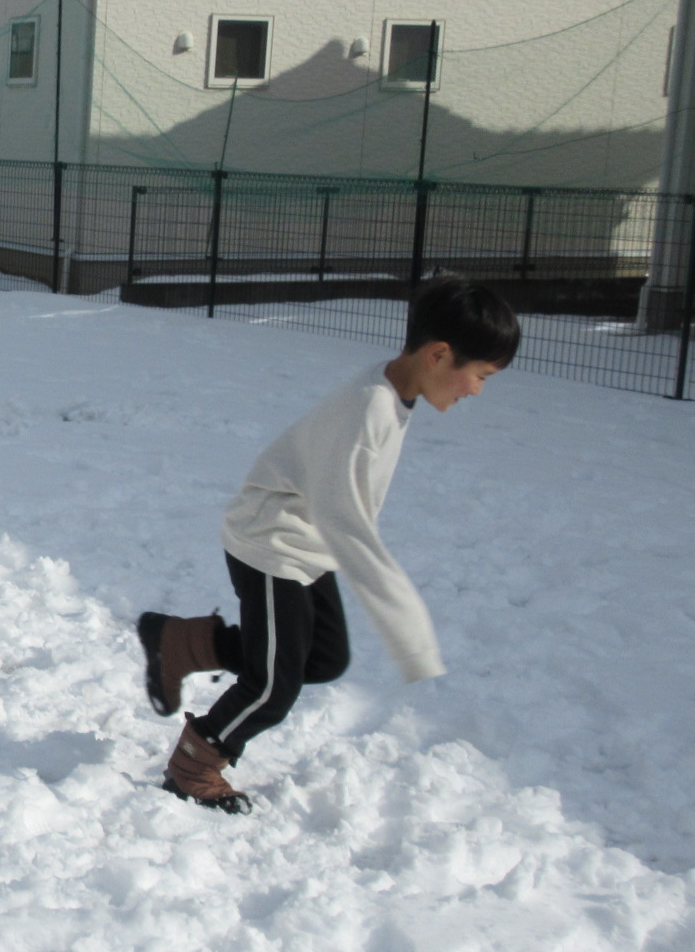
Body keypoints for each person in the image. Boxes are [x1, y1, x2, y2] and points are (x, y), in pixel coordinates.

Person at [137, 275, 519, 814]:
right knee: (273, 688)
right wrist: (408, 629)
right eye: (479, 375)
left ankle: (182, 642)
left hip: (306, 543)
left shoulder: (394, 395)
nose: (476, 390)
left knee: (323, 656)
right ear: (440, 355)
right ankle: (194, 766)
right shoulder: (368, 411)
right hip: (272, 543)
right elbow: (350, 527)